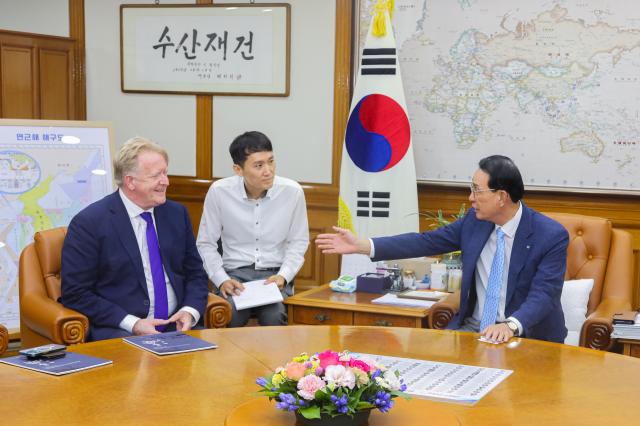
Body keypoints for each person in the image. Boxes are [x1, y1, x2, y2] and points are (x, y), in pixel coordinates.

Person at [316, 155, 569, 343]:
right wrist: (362, 245)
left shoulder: (550, 236)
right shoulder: (475, 223)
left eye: (476, 191)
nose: (470, 198)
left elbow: (544, 294)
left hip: (526, 335)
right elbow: (424, 241)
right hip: (475, 329)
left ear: (501, 197)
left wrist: (511, 326)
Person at [61, 137, 209, 341]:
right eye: (157, 175)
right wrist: (133, 323)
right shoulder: (90, 223)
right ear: (130, 181)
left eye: (165, 173)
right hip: (121, 330)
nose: (166, 181)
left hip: (178, 326)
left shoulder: (176, 214)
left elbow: (196, 274)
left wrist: (190, 311)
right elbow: (75, 292)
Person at [197, 131, 309, 327]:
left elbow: (298, 242)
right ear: (238, 169)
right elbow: (206, 243)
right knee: (228, 314)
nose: (268, 171)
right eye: (259, 165)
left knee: (275, 316)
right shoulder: (219, 191)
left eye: (271, 161)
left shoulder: (292, 192)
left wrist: (284, 276)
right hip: (235, 275)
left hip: (274, 275)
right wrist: (222, 280)